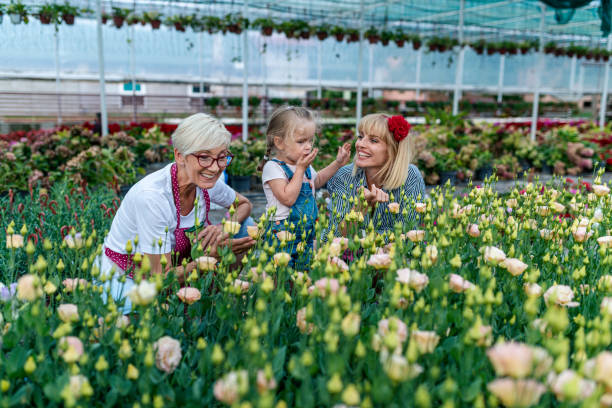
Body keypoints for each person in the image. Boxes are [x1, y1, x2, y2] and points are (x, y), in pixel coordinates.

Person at [96, 113, 256, 313]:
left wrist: (224, 227)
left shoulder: (204, 180)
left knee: (246, 225)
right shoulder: (153, 197)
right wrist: (209, 259)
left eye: (222, 157)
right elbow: (158, 278)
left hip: (178, 263)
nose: (215, 168)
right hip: (131, 273)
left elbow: (245, 204)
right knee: (146, 316)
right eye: (204, 157)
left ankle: (219, 292)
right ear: (180, 155)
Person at [259, 106, 351, 268]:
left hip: (306, 231)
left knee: (304, 269)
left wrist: (337, 163)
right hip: (281, 233)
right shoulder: (273, 168)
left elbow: (315, 182)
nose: (308, 146)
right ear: (279, 143)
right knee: (280, 272)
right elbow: (287, 198)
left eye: (310, 140)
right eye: (301, 141)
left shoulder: (303, 166)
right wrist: (300, 169)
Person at [325, 113, 425, 239]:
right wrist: (360, 207)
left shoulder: (410, 176)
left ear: (393, 149)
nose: (360, 144)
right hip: (350, 257)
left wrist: (370, 241)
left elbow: (410, 235)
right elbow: (333, 237)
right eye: (360, 137)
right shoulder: (345, 176)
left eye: (373, 140)